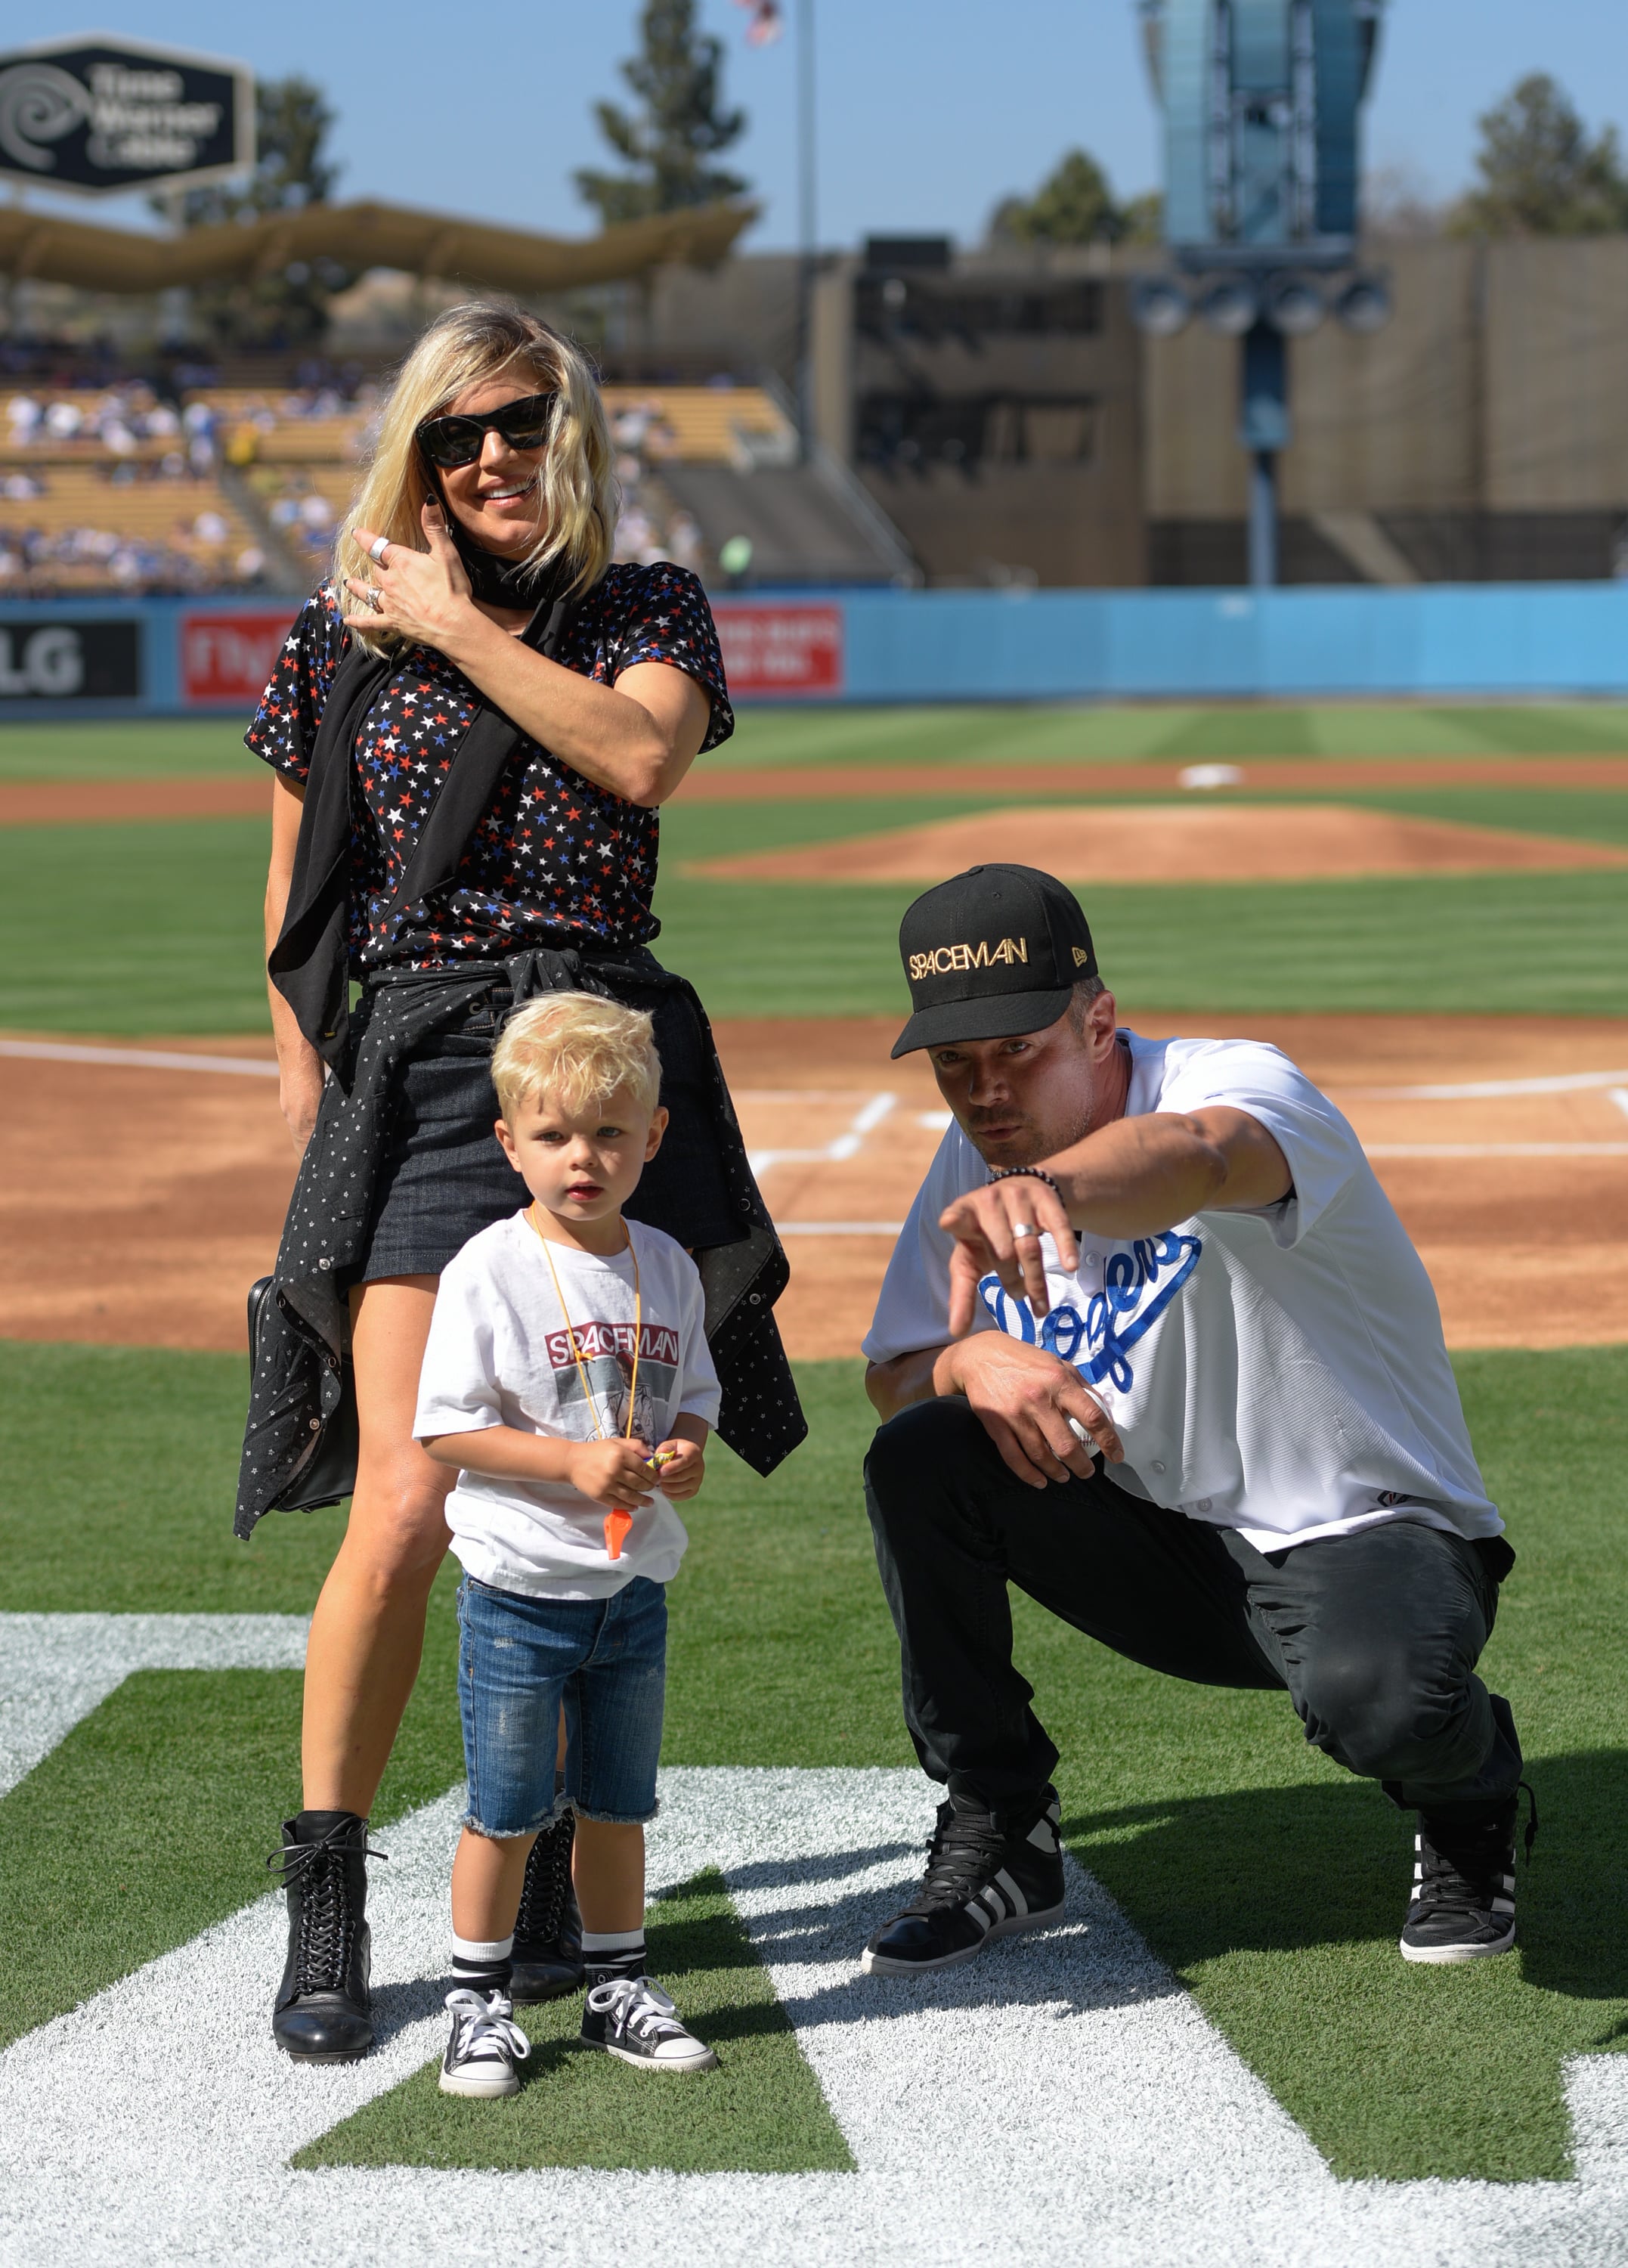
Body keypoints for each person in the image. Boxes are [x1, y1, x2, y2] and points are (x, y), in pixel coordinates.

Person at [240, 302, 803, 2064]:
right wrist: (302, 1102)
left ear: (576, 441)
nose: (494, 454)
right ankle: (327, 1883)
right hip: (418, 1074)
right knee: (410, 1495)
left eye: (526, 425)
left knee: (603, 1463)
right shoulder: (332, 642)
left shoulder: (645, 608)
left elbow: (641, 761)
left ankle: (560, 1868)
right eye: (459, 429)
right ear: (416, 448)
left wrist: (460, 627)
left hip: (600, 1058)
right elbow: (298, 906)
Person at [859, 863, 1531, 1978]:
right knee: (921, 1452)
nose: (984, 1091)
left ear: (1097, 1019)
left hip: (1364, 1535)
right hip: (1159, 1546)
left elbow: (1199, 1160)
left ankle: (1470, 1800)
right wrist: (968, 1357)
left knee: (1384, 1706)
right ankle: (1001, 1822)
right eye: (954, 1064)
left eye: (1016, 1049)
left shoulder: (1231, 1083)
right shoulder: (979, 1149)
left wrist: (1054, 1192)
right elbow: (895, 1369)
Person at [417, 994, 719, 2095]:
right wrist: (570, 1465)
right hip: (518, 1588)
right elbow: (445, 1426)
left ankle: (616, 1985)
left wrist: (682, 1450)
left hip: (630, 1586)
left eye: (608, 1133)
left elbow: (693, 1394)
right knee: (504, 1809)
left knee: (617, 1803)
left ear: (653, 1136)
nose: (581, 1158)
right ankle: (477, 2001)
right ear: (509, 1142)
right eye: (552, 1135)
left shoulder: (667, 1264)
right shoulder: (485, 1270)